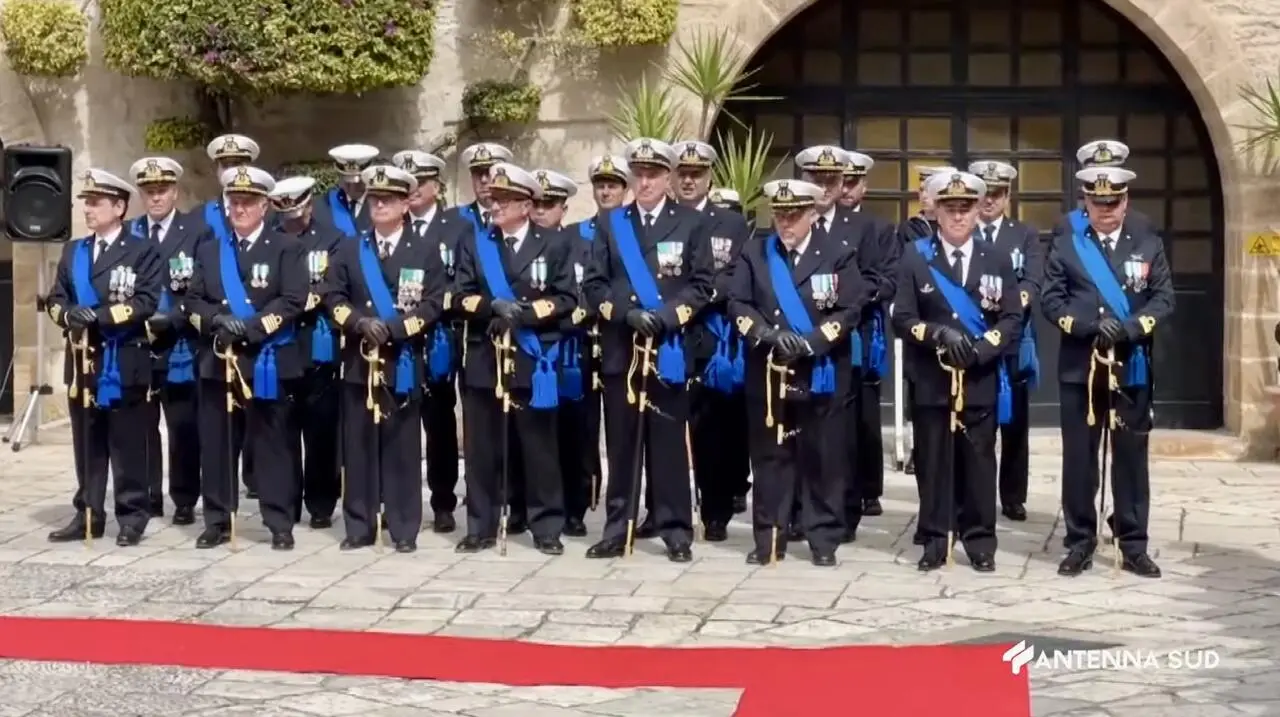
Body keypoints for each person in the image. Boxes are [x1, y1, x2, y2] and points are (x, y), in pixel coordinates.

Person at [581, 137, 714, 562]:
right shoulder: (611, 223)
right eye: (638, 174)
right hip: (622, 349)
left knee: (668, 445)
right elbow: (594, 285)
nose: (644, 182)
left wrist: (669, 316)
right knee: (622, 446)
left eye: (653, 174)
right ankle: (617, 528)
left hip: (668, 349)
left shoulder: (691, 223)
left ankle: (675, 530)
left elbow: (702, 285)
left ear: (668, 178)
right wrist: (626, 314)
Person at [728, 179, 868, 566]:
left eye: (793, 216)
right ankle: (769, 538)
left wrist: (811, 342)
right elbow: (738, 302)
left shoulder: (837, 254)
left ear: (811, 214)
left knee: (822, 458)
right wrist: (766, 334)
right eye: (780, 215)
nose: (785, 224)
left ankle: (823, 539)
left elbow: (850, 309)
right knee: (770, 458)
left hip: (819, 370)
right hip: (770, 368)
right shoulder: (756, 252)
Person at [1042, 166, 1172, 579]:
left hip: (1130, 365)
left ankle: (1133, 543)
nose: (1106, 210)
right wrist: (1087, 327)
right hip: (1081, 366)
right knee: (1080, 459)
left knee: (1131, 458)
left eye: (1113, 202)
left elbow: (1163, 298)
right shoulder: (1068, 244)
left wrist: (1130, 328)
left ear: (1125, 201)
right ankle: (1079, 541)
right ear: (1086, 202)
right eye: (1098, 203)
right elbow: (1051, 300)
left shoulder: (1146, 243)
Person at [892, 170, 1021, 572]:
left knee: (979, 463)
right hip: (932, 377)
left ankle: (980, 541)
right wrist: (937, 335)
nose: (959, 216)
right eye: (951, 208)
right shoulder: (916, 256)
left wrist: (981, 350)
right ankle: (936, 539)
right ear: (937, 211)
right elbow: (902, 318)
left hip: (979, 377)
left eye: (966, 208)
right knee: (934, 463)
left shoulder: (996, 258)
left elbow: (1011, 318)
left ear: (977, 211)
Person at [453, 162, 577, 555]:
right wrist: (491, 307)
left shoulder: (553, 244)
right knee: (482, 449)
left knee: (539, 447)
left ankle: (546, 527)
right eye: (494, 199)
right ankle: (481, 525)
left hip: (532, 354)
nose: (495, 206)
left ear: (526, 206)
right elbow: (458, 295)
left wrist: (527, 313)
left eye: (505, 200)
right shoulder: (475, 242)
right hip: (485, 355)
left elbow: (567, 298)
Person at [322, 164, 448, 553]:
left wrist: (395, 329)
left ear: (405, 204)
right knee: (358, 446)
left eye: (388, 200)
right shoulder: (350, 248)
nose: (379, 205)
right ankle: (359, 525)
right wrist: (358, 323)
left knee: (402, 447)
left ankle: (404, 526)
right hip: (359, 360)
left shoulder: (424, 250)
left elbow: (433, 304)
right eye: (375, 199)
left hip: (402, 360)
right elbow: (332, 296)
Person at [184, 165, 307, 550]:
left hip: (264, 361)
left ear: (264, 206)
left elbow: (293, 300)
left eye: (248, 202)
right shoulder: (210, 250)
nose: (239, 209)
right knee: (217, 444)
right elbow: (192, 301)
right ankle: (218, 519)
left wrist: (250, 328)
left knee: (272, 445)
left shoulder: (286, 247)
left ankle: (279, 522)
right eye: (234, 202)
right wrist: (216, 321)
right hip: (219, 360)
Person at [44, 169, 163, 546]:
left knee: (127, 444)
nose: (88, 209)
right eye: (87, 202)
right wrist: (68, 315)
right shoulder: (74, 250)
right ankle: (88, 512)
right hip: (82, 360)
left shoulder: (142, 250)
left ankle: (132, 515)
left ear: (119, 207)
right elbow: (56, 298)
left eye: (96, 203)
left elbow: (145, 302)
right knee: (87, 443)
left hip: (122, 359)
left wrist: (99, 317)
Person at [674, 139, 751, 541]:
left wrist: (696, 297)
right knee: (667, 427)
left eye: (696, 174)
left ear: (709, 177)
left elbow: (736, 274)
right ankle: (665, 509)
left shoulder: (730, 224)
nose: (689, 181)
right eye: (683, 174)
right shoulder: (662, 219)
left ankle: (715, 511)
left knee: (713, 429)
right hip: (668, 334)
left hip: (711, 335)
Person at [968, 160, 1046, 523]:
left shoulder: (1023, 234)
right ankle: (974, 494)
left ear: (1008, 196)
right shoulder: (963, 231)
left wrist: (1011, 305)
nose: (990, 200)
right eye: (985, 193)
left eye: (997, 193)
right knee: (975, 424)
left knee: (1015, 425)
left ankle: (1013, 496)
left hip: (1013, 339)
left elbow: (1033, 279)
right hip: (973, 339)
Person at [130, 156, 203, 524]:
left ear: (175, 192)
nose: (156, 197)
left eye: (162, 190)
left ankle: (185, 498)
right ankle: (148, 495)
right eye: (149, 191)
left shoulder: (197, 232)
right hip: (138, 341)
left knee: (182, 426)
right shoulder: (130, 232)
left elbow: (203, 286)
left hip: (179, 342)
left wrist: (172, 319)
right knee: (142, 426)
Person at [269, 176, 344, 528]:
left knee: (321, 430)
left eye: (296, 213)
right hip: (277, 342)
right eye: (284, 214)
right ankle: (285, 503)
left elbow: (336, 283)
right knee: (281, 431)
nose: (290, 220)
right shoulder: (270, 237)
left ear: (309, 206)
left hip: (317, 341)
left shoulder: (332, 239)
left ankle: (321, 504)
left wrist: (303, 300)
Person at [562, 154, 631, 534]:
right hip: (581, 344)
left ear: (625, 189)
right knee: (580, 429)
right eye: (601, 185)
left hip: (621, 340)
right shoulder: (575, 235)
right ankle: (578, 505)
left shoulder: (635, 234)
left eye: (613, 185)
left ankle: (625, 510)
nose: (606, 192)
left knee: (623, 432)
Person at [394, 148, 462, 533]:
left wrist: (433, 307)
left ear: (436, 186)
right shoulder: (391, 225)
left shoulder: (457, 228)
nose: (414, 189)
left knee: (439, 424)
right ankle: (399, 502)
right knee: (397, 423)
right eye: (408, 182)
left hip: (438, 337)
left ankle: (443, 502)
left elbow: (464, 279)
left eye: (421, 181)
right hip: (396, 339)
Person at [836, 148, 900, 530]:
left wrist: (858, 294)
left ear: (864, 187)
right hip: (825, 328)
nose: (845, 189)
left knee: (866, 415)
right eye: (841, 182)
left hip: (863, 328)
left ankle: (869, 488)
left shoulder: (879, 228)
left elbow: (889, 278)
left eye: (852, 182)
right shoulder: (820, 223)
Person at [530, 167, 593, 537]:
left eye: (549, 205)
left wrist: (571, 318)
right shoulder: (520, 245)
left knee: (575, 433)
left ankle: (574, 507)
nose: (541, 211)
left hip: (571, 349)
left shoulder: (580, 246)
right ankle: (526, 505)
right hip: (531, 348)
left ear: (563, 209)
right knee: (535, 435)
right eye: (536, 204)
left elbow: (590, 293)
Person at [315, 144, 379, 237]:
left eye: (359, 182)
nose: (353, 187)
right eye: (348, 182)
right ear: (339, 177)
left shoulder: (381, 203)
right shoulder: (325, 203)